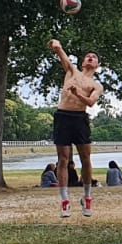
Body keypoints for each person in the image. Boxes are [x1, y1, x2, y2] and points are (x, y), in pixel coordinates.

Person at [48, 39, 101, 218]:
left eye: (94, 57)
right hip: (63, 116)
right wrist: (56, 45)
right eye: (88, 56)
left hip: (80, 118)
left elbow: (91, 102)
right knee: (63, 159)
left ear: (97, 65)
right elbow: (61, 53)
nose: (90, 58)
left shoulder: (96, 85)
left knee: (86, 158)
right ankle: (65, 201)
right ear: (83, 62)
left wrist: (77, 93)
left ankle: (87, 197)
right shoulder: (72, 71)